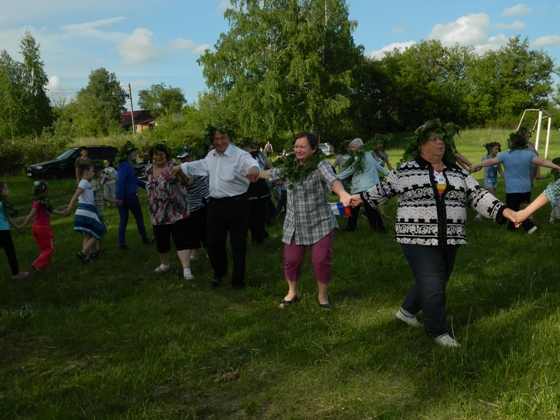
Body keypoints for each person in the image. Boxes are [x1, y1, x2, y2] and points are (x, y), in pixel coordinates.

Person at [345, 119, 516, 347]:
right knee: (434, 282)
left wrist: (504, 211)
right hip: (415, 237)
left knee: (436, 279)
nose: (439, 142)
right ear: (420, 145)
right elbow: (381, 191)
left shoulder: (457, 172)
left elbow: (477, 196)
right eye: (433, 138)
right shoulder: (405, 170)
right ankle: (438, 332)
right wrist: (355, 199)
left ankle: (406, 312)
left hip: (451, 236)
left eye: (441, 138)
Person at [256, 131, 351, 309]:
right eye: (296, 146)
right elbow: (274, 173)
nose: (298, 150)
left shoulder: (321, 165)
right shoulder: (290, 165)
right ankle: (292, 292)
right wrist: (257, 174)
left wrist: (343, 194)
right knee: (291, 260)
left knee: (320, 260)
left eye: (303, 147)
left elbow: (333, 180)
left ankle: (323, 296)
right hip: (295, 224)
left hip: (320, 223)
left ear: (314, 149)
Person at [172, 124, 260, 290]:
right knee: (213, 242)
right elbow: (199, 165)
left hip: (237, 204)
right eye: (216, 139)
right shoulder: (210, 155)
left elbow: (251, 162)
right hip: (215, 205)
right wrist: (181, 167)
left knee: (238, 244)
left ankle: (238, 281)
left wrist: (254, 168)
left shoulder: (239, 154)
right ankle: (219, 272)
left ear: (229, 138)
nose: (219, 142)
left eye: (223, 138)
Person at [470, 132, 560, 234]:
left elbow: (490, 162)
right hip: (526, 188)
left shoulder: (505, 155)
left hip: (512, 189)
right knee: (518, 207)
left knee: (513, 209)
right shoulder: (529, 154)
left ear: (511, 143)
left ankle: (528, 226)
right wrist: (556, 166)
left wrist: (476, 165)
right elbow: (542, 162)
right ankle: (512, 227)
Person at [146, 142, 195, 279]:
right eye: (156, 154)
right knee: (161, 240)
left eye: (162, 154)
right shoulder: (148, 169)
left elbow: (189, 182)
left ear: (167, 155)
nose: (158, 157)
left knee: (180, 239)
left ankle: (186, 269)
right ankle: (164, 264)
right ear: (151, 156)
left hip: (176, 211)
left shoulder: (174, 167)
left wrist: (181, 175)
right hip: (157, 213)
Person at [337, 138, 389, 232]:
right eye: (350, 147)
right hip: (370, 185)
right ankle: (352, 227)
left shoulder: (359, 158)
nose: (351, 149)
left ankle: (379, 229)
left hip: (362, 186)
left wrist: (336, 179)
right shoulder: (368, 155)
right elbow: (378, 167)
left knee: (369, 208)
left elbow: (350, 170)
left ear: (358, 147)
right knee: (356, 207)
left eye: (352, 147)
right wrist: (388, 174)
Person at [114, 141, 154, 250]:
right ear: (128, 154)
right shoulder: (125, 165)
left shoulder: (126, 165)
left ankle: (123, 243)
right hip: (129, 196)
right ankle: (142, 239)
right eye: (133, 153)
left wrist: (147, 186)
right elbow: (121, 181)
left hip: (125, 196)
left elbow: (134, 179)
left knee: (125, 219)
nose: (135, 154)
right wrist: (119, 197)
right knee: (136, 218)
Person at [19, 180, 66, 271]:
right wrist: (24, 225)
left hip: (36, 227)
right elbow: (31, 214)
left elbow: (50, 210)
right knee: (49, 248)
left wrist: (61, 213)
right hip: (43, 228)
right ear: (46, 191)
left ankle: (46, 266)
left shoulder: (41, 201)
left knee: (43, 248)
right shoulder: (39, 202)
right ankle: (37, 264)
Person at [64, 164, 105, 264]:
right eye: (91, 171)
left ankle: (86, 257)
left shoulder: (86, 183)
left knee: (88, 235)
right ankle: (83, 253)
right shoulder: (84, 183)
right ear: (86, 171)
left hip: (86, 210)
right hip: (87, 210)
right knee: (98, 231)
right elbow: (76, 194)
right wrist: (70, 207)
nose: (93, 173)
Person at [176, 145, 210, 261]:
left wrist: (179, 173)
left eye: (186, 157)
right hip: (188, 204)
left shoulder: (197, 168)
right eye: (181, 159)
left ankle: (208, 249)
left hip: (201, 203)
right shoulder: (184, 168)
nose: (184, 161)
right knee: (190, 229)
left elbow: (188, 182)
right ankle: (194, 251)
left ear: (193, 156)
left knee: (203, 228)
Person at [238, 137, 272, 246]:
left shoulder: (246, 157)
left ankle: (257, 240)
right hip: (263, 188)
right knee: (259, 216)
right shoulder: (261, 154)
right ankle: (261, 234)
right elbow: (269, 166)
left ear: (246, 146)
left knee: (251, 217)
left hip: (251, 189)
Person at [0, 180, 30, 279]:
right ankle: (16, 274)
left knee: (11, 253)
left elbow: (8, 218)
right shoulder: (1, 204)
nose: (8, 190)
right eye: (5, 188)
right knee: (10, 253)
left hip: (4, 231)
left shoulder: (3, 203)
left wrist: (18, 227)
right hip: (3, 232)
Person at [90, 161, 118, 258]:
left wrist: (114, 201)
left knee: (99, 230)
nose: (101, 174)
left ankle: (98, 249)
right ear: (95, 172)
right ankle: (95, 251)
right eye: (99, 172)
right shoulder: (93, 184)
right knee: (99, 230)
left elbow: (102, 196)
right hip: (96, 212)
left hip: (98, 211)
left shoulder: (95, 183)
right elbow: (91, 197)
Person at [474, 142, 504, 221]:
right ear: (490, 149)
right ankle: (500, 214)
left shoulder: (498, 159)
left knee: (489, 199)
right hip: (488, 180)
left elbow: (500, 171)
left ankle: (479, 214)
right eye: (495, 149)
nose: (497, 150)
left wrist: (507, 178)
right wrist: (471, 170)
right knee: (495, 199)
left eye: (498, 149)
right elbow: (479, 168)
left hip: (494, 181)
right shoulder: (485, 158)